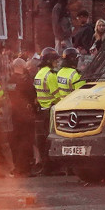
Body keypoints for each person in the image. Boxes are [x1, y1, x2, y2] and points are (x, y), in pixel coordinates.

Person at [5, 57, 38, 176]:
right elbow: (32, 94)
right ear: (21, 67)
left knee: (16, 142)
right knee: (26, 142)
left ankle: (17, 167)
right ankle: (26, 169)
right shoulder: (25, 81)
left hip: (14, 115)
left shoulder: (10, 81)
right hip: (25, 115)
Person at [33, 47, 62, 175]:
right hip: (50, 111)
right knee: (51, 141)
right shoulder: (50, 75)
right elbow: (57, 96)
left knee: (42, 140)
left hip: (41, 110)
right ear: (49, 61)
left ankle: (45, 166)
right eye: (55, 60)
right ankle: (51, 167)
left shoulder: (39, 73)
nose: (57, 63)